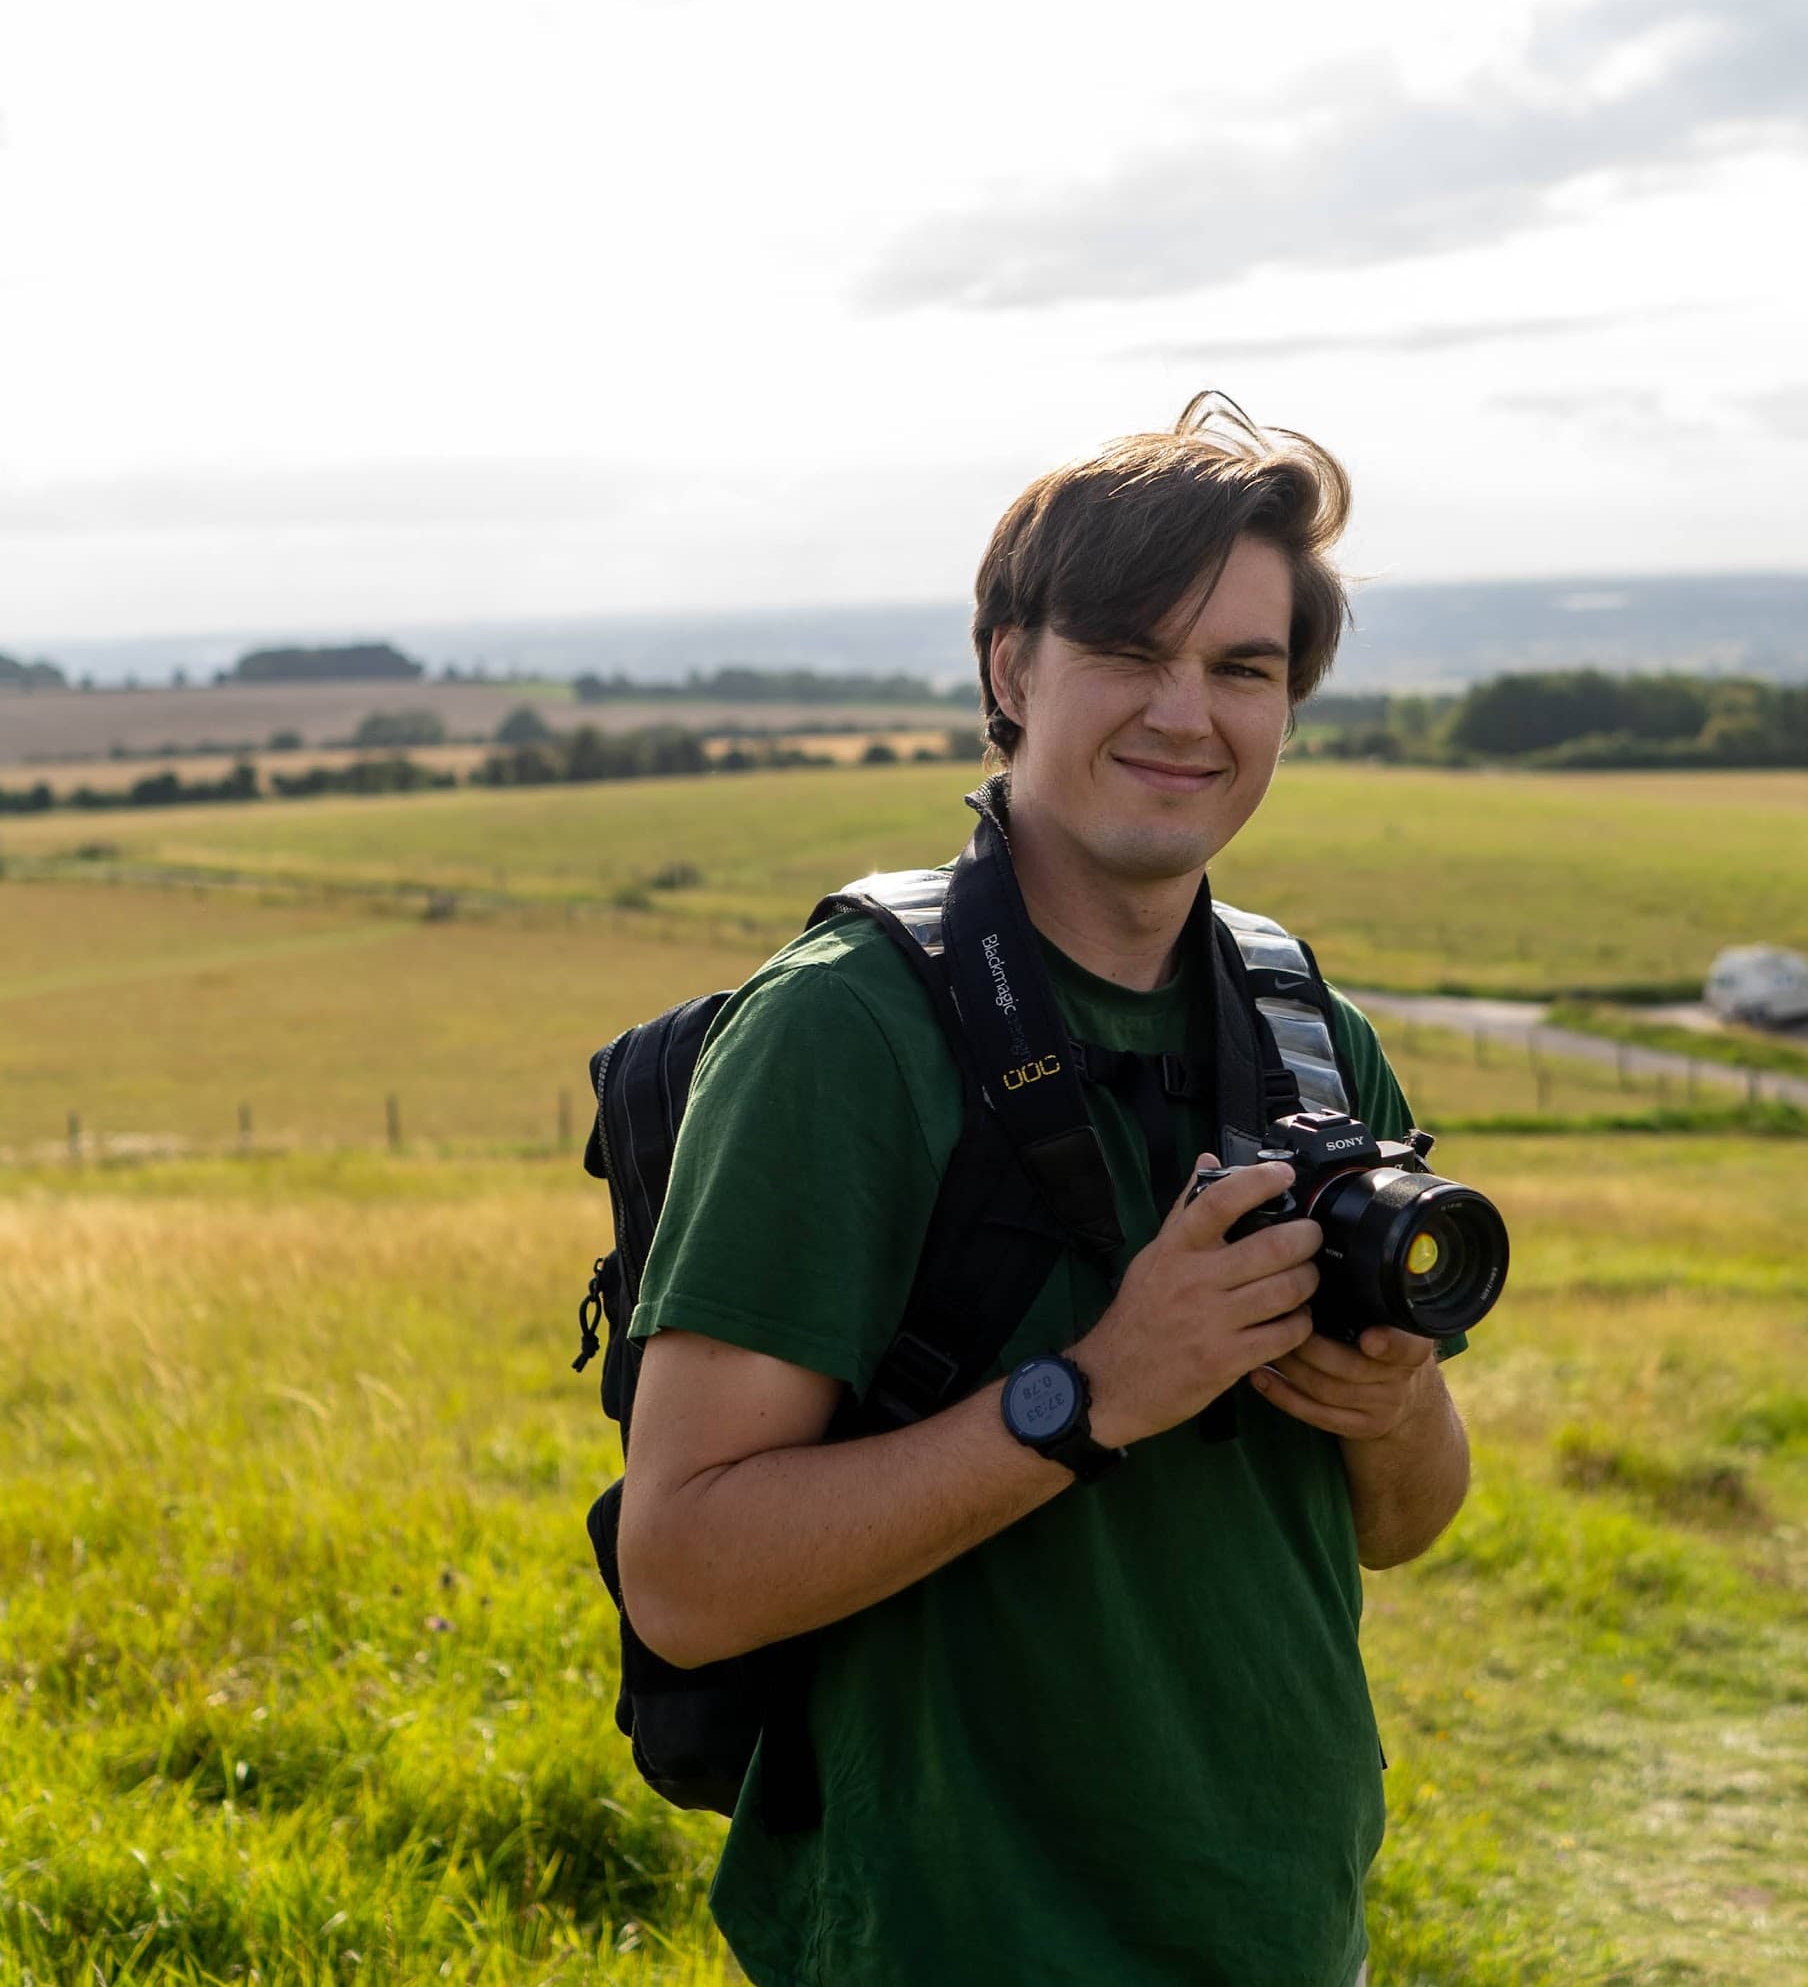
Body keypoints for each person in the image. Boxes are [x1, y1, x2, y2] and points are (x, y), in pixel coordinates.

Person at [612, 397, 1471, 1985]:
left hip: (1284, 1929)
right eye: (1130, 651)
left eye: (1242, 667)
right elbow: (680, 1576)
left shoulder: (1303, 1032)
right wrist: (1094, 1392)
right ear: (1012, 668)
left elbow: (1407, 1521)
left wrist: (1390, 1396)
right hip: (950, 1936)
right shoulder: (844, 1033)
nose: (1185, 712)